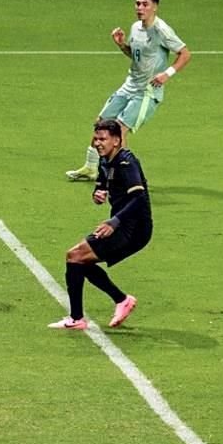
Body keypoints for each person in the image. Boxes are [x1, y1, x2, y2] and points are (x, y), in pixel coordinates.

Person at [66, 0, 191, 181]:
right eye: (137, 3)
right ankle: (91, 168)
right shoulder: (135, 27)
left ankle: (121, 175)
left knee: (119, 129)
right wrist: (122, 44)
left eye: (145, 4)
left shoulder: (161, 30)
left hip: (147, 92)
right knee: (102, 123)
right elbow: (136, 56)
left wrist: (167, 74)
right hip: (129, 86)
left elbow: (185, 54)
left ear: (155, 7)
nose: (140, 8)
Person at [50, 120, 152, 330]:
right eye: (96, 139)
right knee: (79, 260)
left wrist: (114, 222)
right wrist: (98, 194)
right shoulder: (105, 161)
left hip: (134, 229)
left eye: (102, 139)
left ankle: (78, 318)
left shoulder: (127, 162)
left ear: (116, 140)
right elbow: (102, 184)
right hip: (123, 225)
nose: (97, 143)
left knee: (75, 256)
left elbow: (139, 197)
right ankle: (121, 300)